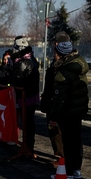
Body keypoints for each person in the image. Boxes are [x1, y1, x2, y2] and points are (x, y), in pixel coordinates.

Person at [49, 40, 89, 179]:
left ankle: (69, 172)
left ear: (61, 54)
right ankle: (76, 170)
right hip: (79, 108)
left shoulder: (64, 72)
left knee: (68, 141)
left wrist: (53, 116)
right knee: (77, 140)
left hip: (68, 111)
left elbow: (60, 98)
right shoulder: (80, 64)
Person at [39, 32, 68, 166]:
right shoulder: (56, 60)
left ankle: (62, 158)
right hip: (52, 100)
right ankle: (59, 156)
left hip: (59, 101)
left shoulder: (65, 62)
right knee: (53, 130)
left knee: (58, 130)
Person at [11, 36, 40, 156]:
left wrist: (9, 81)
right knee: (29, 123)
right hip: (31, 96)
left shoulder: (22, 63)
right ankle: (28, 146)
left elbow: (16, 80)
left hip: (25, 98)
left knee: (27, 123)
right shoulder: (32, 59)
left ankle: (27, 147)